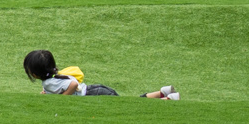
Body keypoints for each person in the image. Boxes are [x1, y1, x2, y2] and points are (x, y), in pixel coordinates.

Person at [22, 48, 175, 98]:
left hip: (94, 95)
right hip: (95, 89)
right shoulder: (54, 76)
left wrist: (63, 98)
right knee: (127, 103)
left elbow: (73, 84)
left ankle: (168, 98)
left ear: (35, 74)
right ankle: (162, 92)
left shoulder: (49, 81)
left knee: (128, 106)